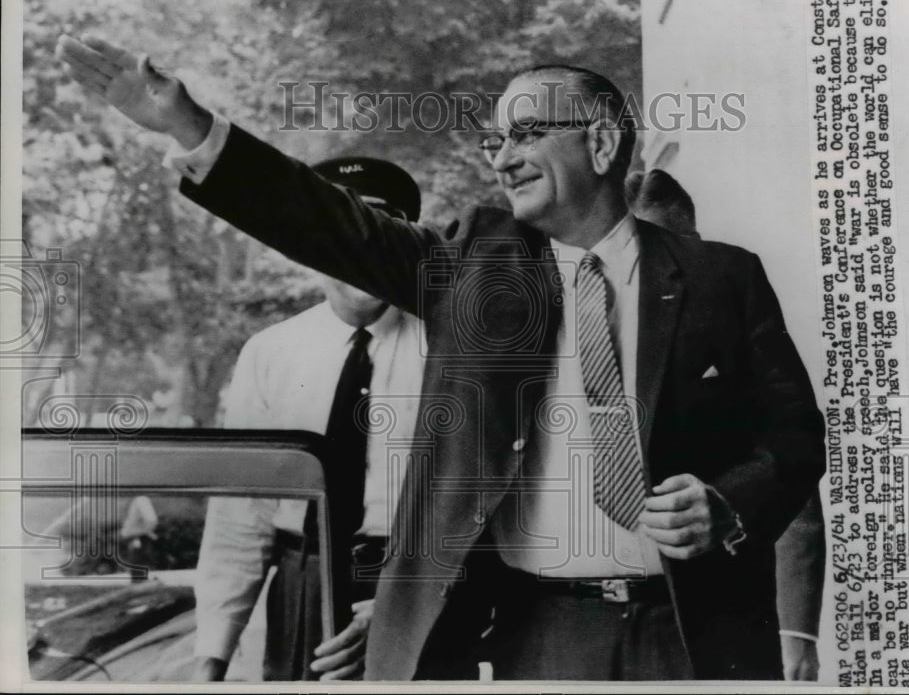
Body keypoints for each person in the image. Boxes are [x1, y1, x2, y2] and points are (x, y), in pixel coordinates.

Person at [57, 34, 826, 681]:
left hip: (699, 637)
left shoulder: (724, 276)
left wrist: (728, 501)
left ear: (601, 140)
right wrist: (192, 128)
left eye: (527, 134)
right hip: (542, 634)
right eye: (495, 141)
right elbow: (333, 225)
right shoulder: (476, 268)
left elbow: (796, 437)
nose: (503, 159)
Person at [192, 158, 425, 681]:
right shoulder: (271, 352)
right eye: (337, 233)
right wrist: (211, 659)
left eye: (382, 227)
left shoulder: (451, 348)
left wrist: (404, 602)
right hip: (304, 587)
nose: (360, 250)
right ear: (306, 246)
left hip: (419, 583)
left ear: (408, 238)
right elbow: (239, 520)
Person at [627, 168, 826, 681]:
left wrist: (796, 633)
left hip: (722, 616)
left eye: (677, 243)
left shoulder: (728, 306)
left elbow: (795, 488)